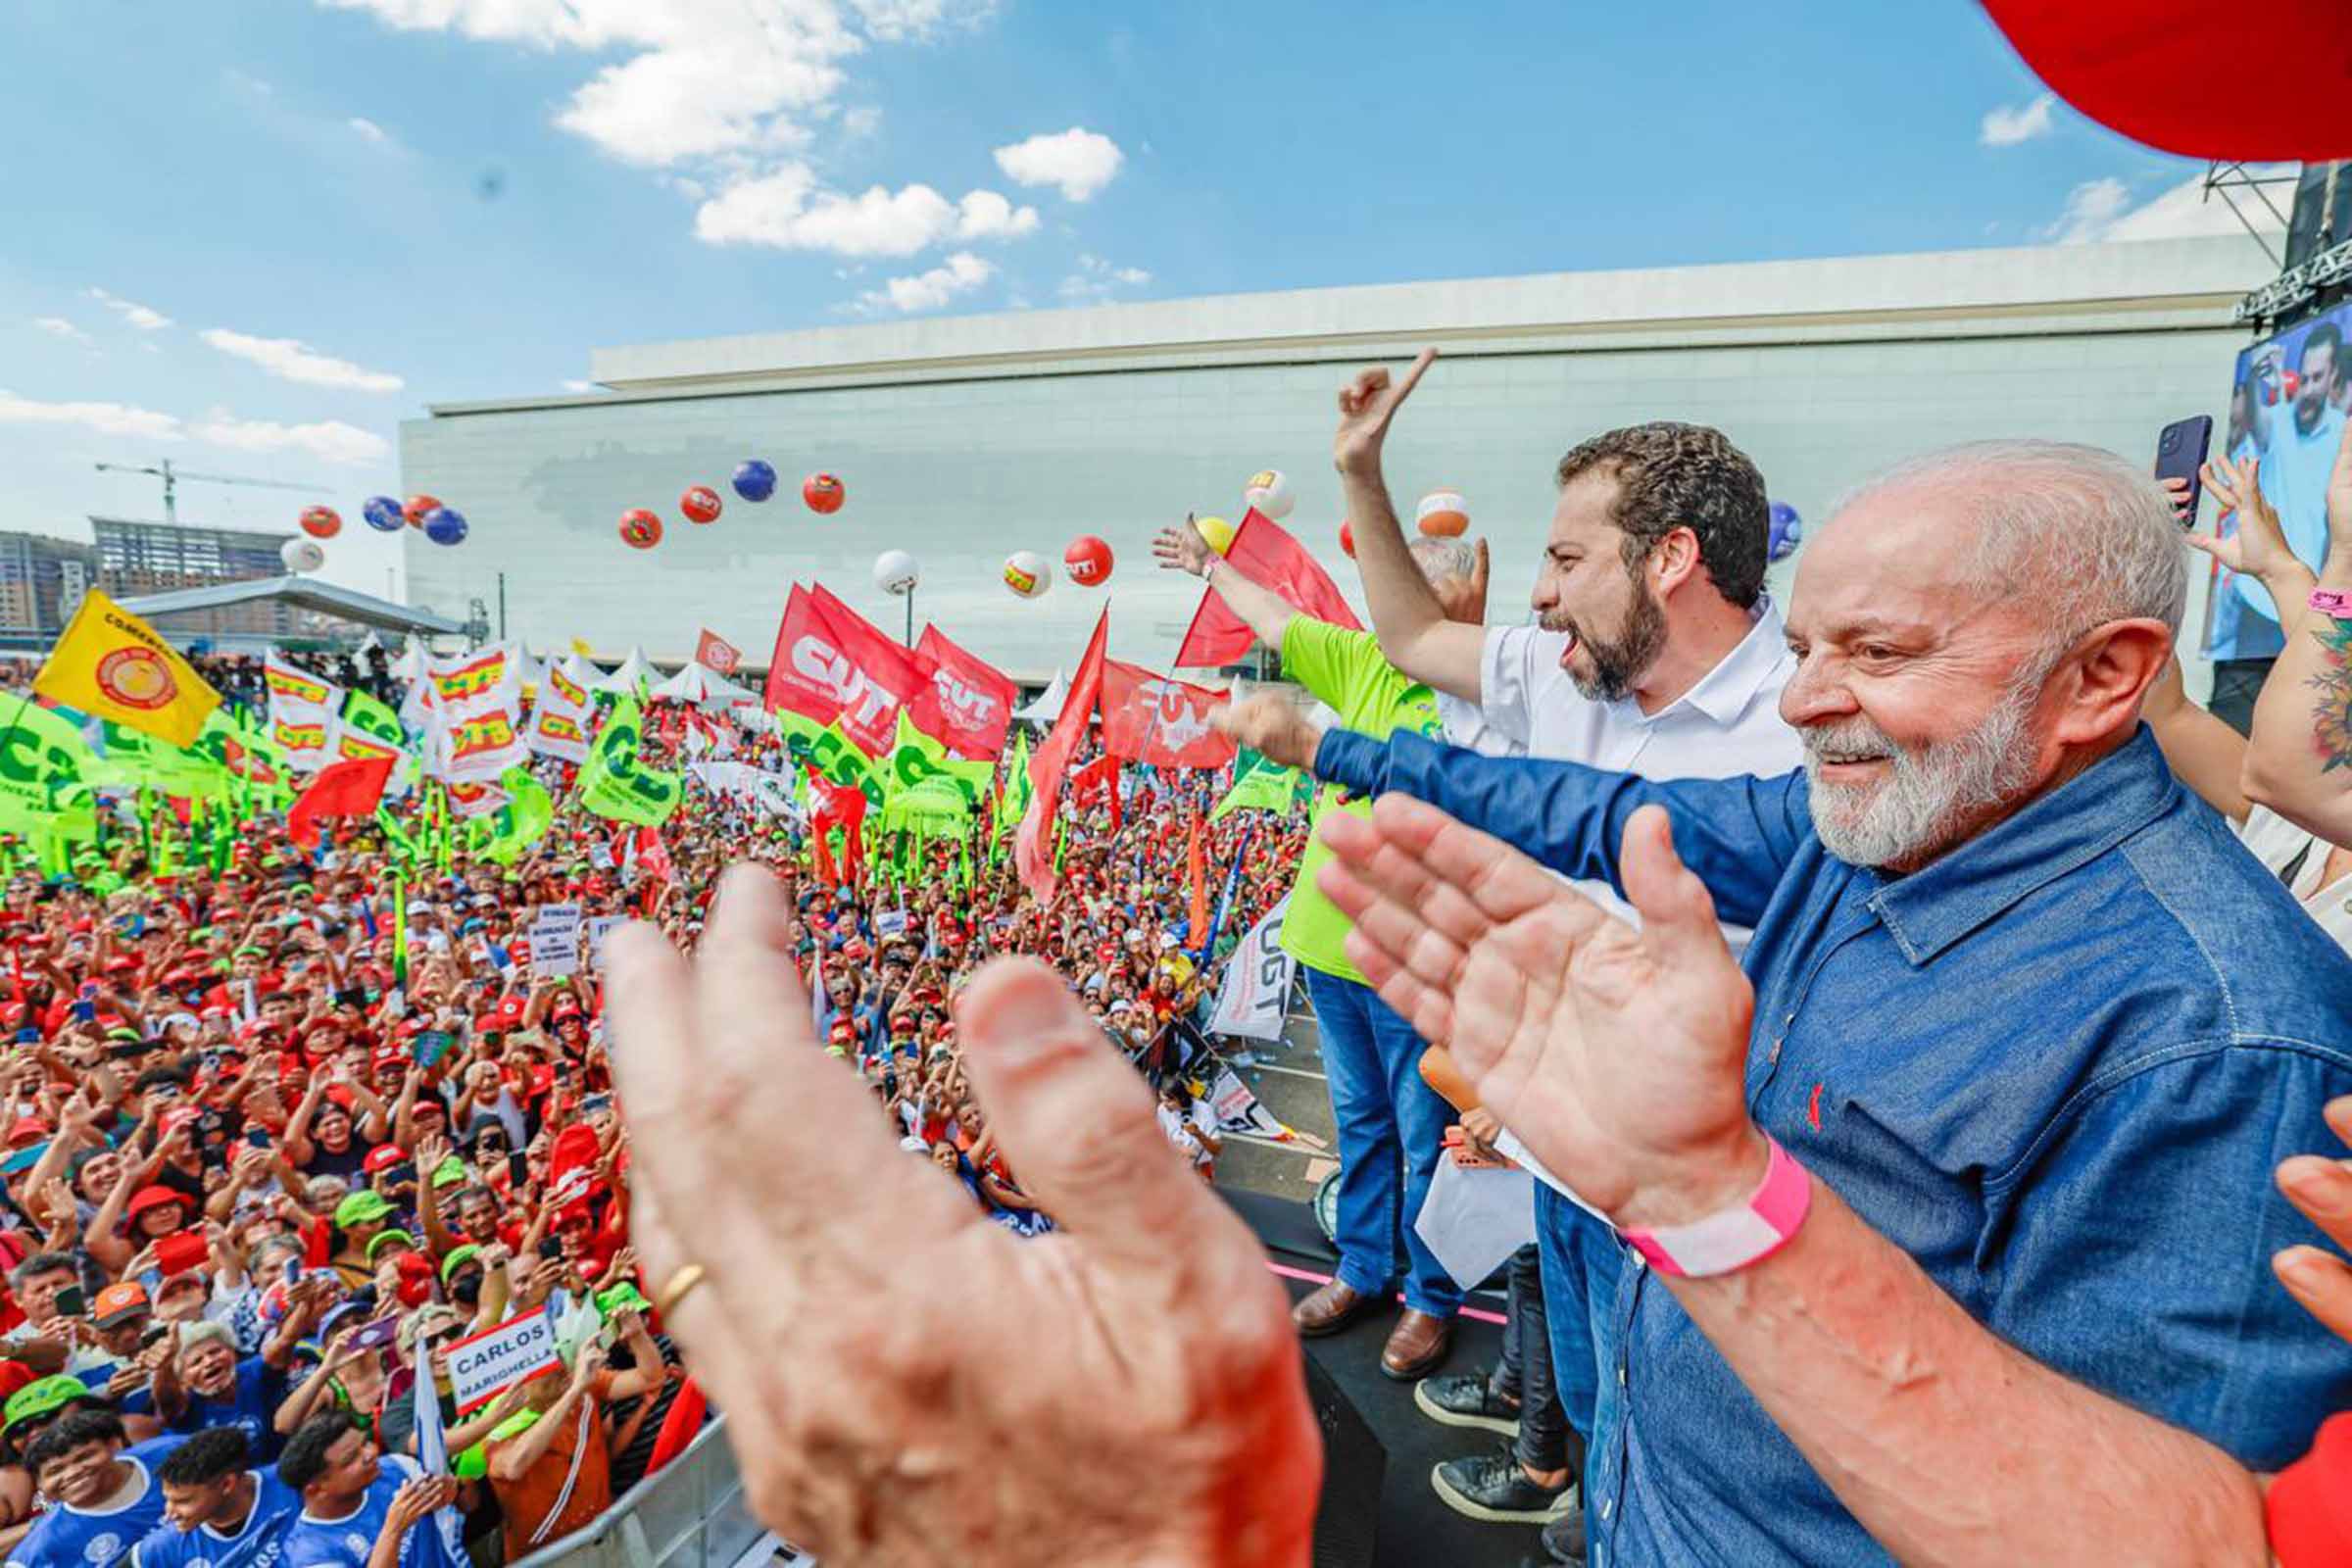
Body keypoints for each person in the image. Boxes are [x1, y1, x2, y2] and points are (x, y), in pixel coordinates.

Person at [1213, 434, 2352, 1563]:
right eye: (1805, 646)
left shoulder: (2219, 1045)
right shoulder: (1877, 824)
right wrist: (1348, 755)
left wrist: (1716, 1199)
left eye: (1877, 651)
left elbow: (2149, 1525)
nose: (1803, 702)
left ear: (2103, 674)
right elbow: (1605, 812)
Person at [1323, 347, 1801, 1534]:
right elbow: (1406, 640)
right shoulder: (1564, 676)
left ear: (1672, 559)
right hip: (1563, 1160)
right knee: (1591, 1404)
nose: (1539, 595)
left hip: (1710, 1196)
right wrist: (1360, 472)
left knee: (1698, 1458)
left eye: (1568, 558)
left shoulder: (1800, 720)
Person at [1152, 513, 1499, 1376]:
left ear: (1458, 594)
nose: (1389, 609)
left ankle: (1430, 1299)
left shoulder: (1482, 689)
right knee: (1362, 1127)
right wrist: (1210, 565)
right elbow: (1275, 620)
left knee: (1430, 1143)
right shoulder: (1366, 663)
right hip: (1327, 948)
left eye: (1409, 590)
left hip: (1419, 968)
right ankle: (1365, 1271)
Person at [274, 1415, 463, 1568]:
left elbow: (448, 1521)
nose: (371, 1453)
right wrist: (393, 1530)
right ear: (315, 1489)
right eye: (351, 1459)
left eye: (365, 1443)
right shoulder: (311, 1554)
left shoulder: (398, 1468)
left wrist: (445, 1494)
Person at [7, 1410, 178, 1568]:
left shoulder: (172, 1453)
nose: (73, 1473)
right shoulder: (42, 1548)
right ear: (39, 1484)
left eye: (84, 1457)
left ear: (114, 1445)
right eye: (56, 1471)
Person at [131, 1427, 302, 1568]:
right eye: (168, 1499)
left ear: (227, 1484)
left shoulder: (294, 1484)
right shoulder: (162, 1547)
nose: (170, 1513)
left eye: (183, 1501)